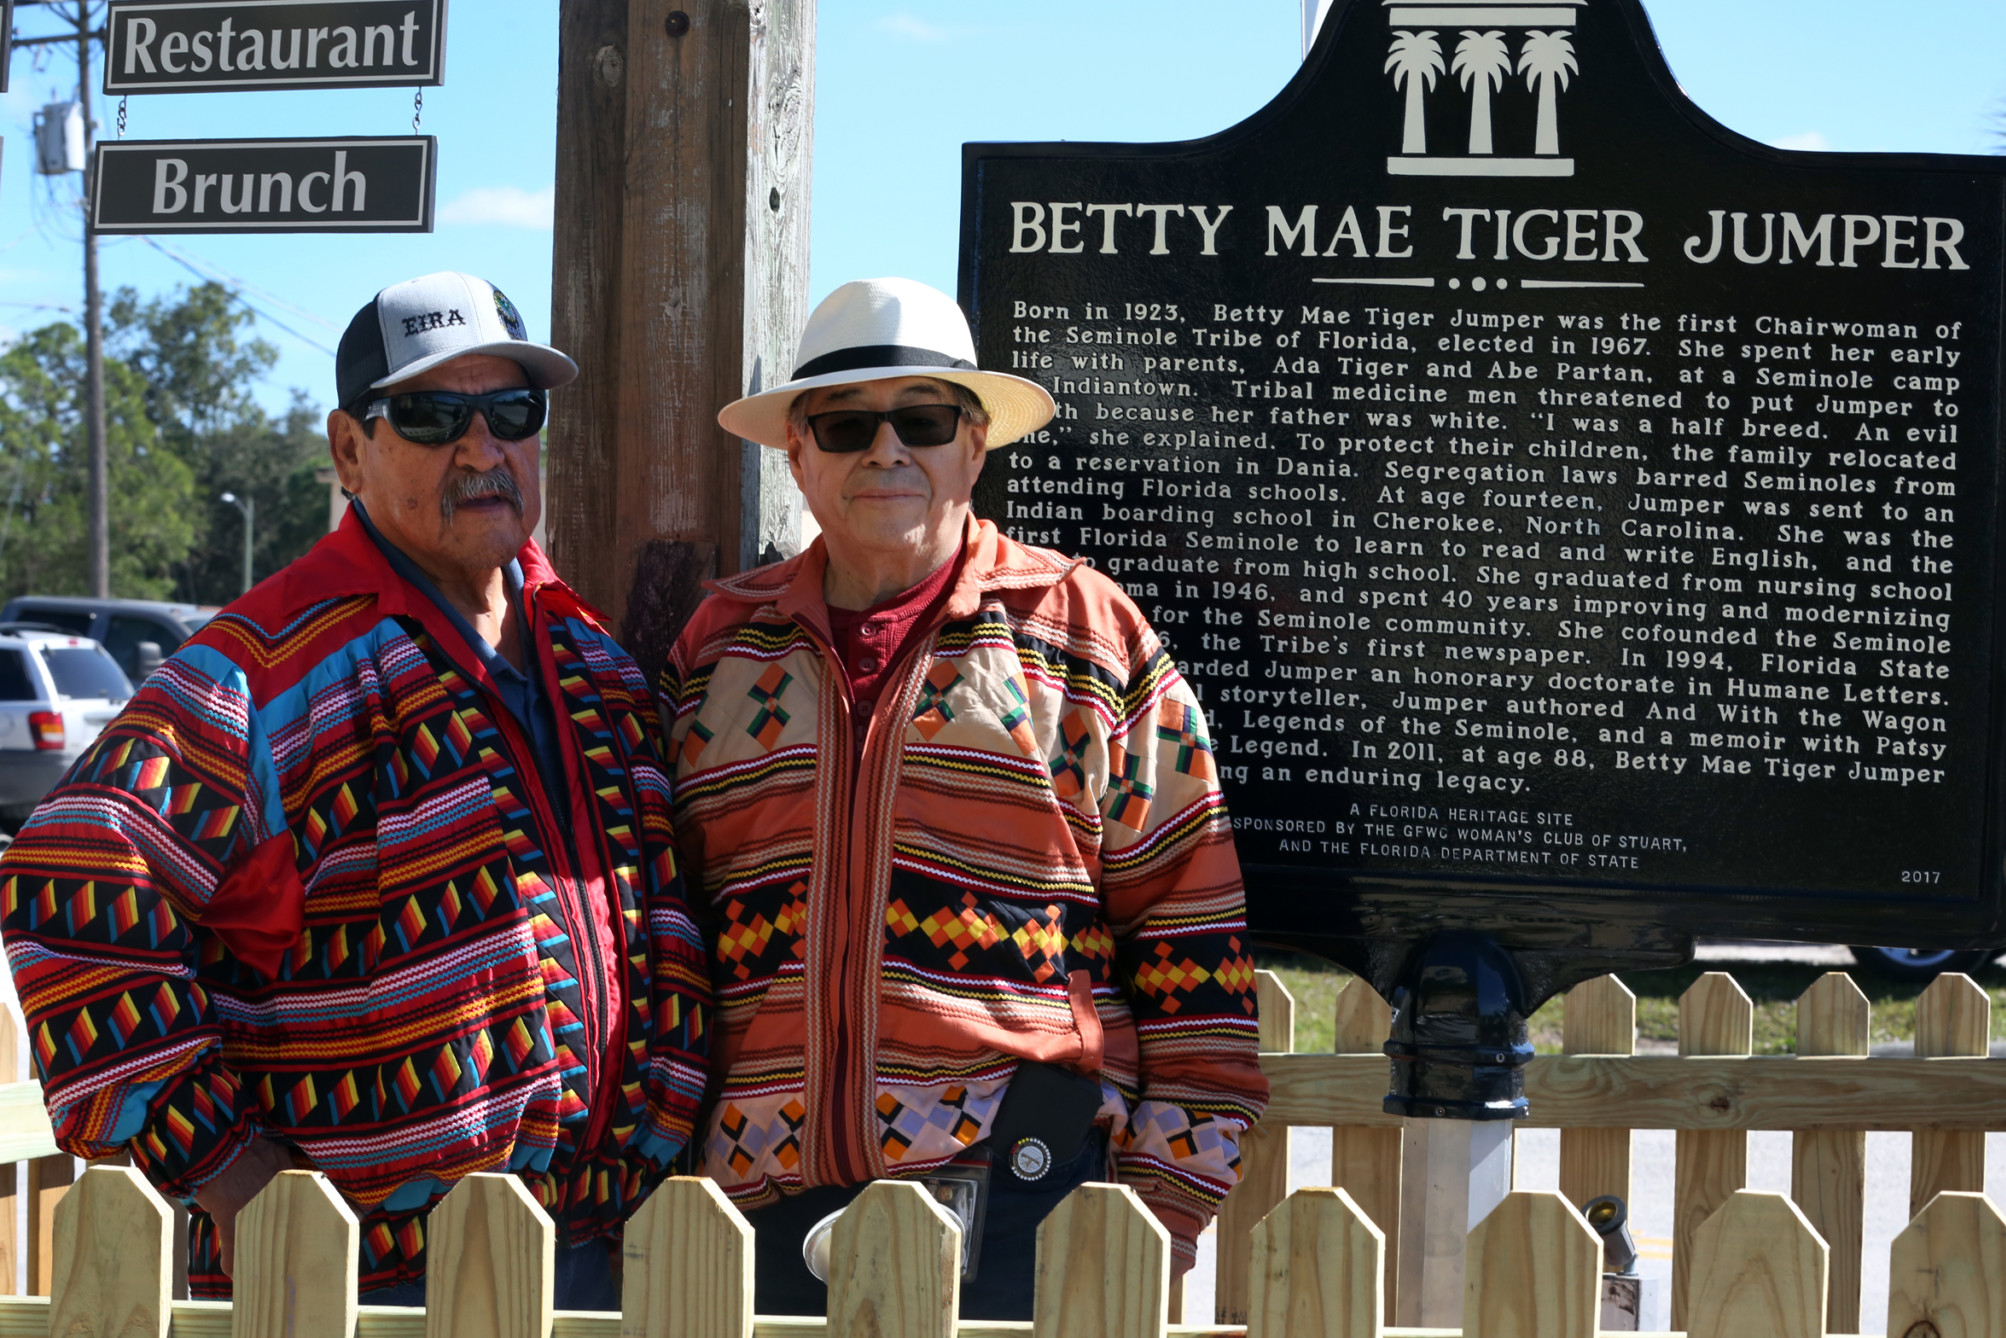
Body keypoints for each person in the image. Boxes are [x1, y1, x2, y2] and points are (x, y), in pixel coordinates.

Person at [0, 272, 709, 1304]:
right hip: (358, 1283)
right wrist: (230, 1172)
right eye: (427, 416)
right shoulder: (260, 672)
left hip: (618, 1256)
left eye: (511, 411)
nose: (480, 449)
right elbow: (70, 886)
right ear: (348, 451)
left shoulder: (590, 655)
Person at [662, 277, 1267, 1319]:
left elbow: (1188, 922)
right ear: (797, 457)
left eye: (923, 420)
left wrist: (1165, 1203)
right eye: (846, 425)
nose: (885, 451)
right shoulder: (716, 649)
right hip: (753, 1208)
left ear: (972, 447)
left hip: (1031, 1189)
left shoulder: (1084, 634)